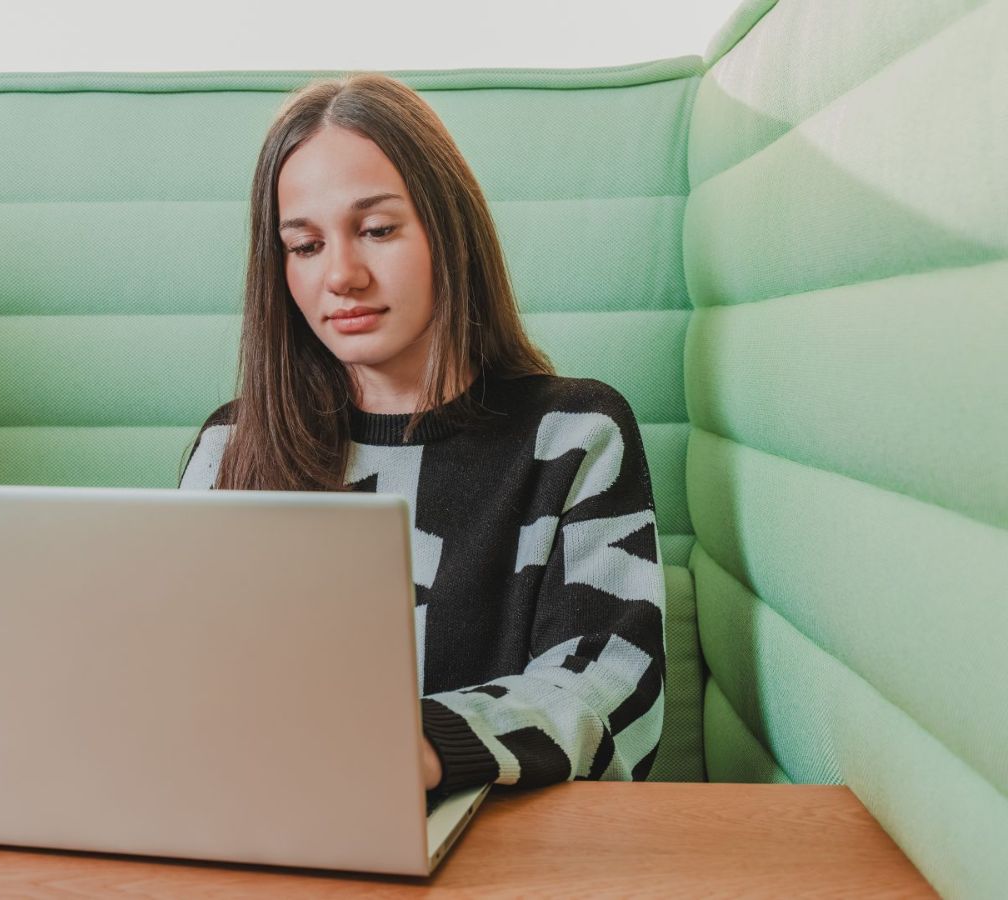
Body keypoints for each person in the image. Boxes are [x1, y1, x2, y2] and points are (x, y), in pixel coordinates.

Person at [177, 72, 666, 796]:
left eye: (376, 230)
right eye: (304, 246)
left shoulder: (574, 436)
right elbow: (178, 676)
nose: (341, 274)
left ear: (450, 231)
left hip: (510, 840)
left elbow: (610, 687)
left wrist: (422, 748)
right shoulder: (232, 446)